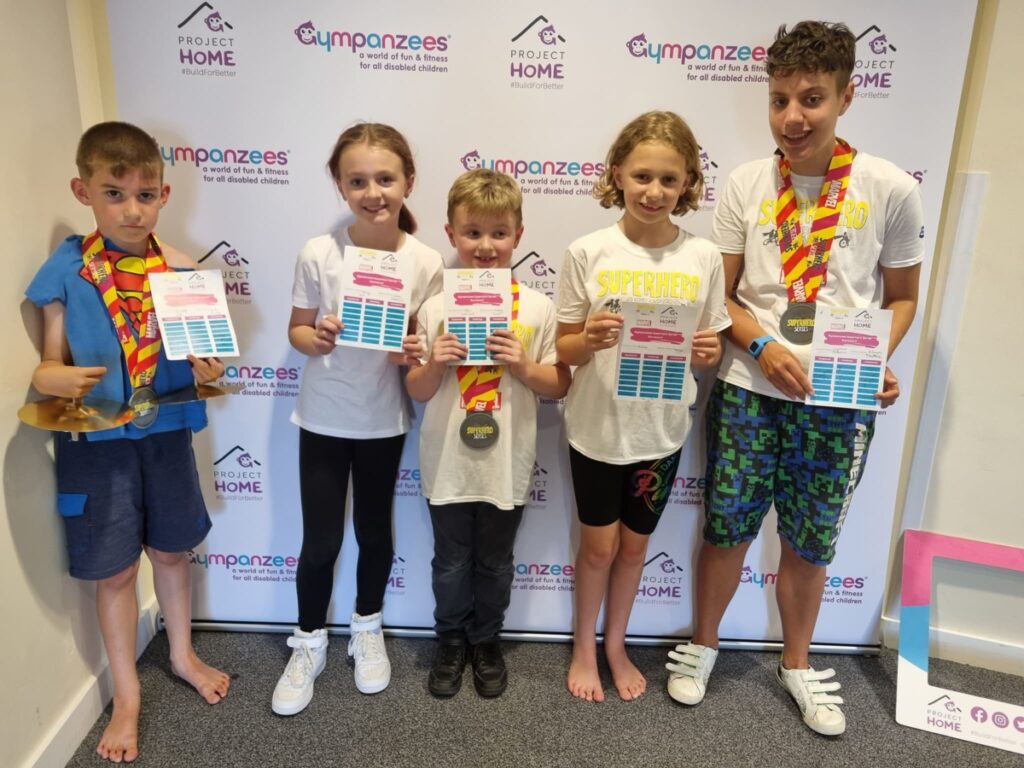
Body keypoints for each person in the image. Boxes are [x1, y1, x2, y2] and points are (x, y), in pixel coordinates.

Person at [666, 21, 923, 736]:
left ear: (847, 93)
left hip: (839, 400)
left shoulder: (891, 188)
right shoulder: (747, 182)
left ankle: (799, 662)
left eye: (811, 98)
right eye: (779, 99)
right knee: (728, 526)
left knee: (811, 540)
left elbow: (902, 296)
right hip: (751, 388)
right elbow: (722, 297)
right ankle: (705, 644)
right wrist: (765, 345)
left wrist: (875, 359)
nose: (792, 117)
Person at [26, 121, 230, 763]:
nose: (132, 208)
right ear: (82, 190)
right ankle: (127, 693)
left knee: (171, 553)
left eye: (146, 194)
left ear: (164, 196)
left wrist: (210, 368)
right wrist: (52, 375)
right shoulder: (67, 267)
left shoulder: (181, 270)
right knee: (114, 570)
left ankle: (181, 653)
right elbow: (46, 364)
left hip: (165, 431)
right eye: (114, 193)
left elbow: (210, 363)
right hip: (94, 438)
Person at [557, 111, 731, 702]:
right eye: (642, 177)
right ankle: (584, 643)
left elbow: (705, 349)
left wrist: (707, 350)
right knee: (599, 548)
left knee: (634, 548)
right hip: (597, 429)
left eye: (669, 180)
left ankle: (615, 642)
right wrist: (591, 340)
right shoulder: (588, 251)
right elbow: (564, 347)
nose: (654, 192)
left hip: (660, 433)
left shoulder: (703, 257)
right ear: (617, 176)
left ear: (688, 184)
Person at [273, 123, 443, 715]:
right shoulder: (320, 252)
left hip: (383, 420)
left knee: (374, 533)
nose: (373, 191)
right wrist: (315, 338)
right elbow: (296, 330)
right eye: (358, 180)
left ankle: (366, 626)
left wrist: (409, 350)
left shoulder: (425, 261)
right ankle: (310, 641)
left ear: (408, 182)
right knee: (319, 540)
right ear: (340, 186)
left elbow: (420, 346)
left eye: (386, 178)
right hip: (322, 418)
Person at [407, 169, 570, 697]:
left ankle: (486, 639)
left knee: (495, 562)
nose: (485, 246)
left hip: (507, 464)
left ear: (518, 236)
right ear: (450, 234)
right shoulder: (434, 308)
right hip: (447, 462)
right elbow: (418, 389)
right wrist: (435, 362)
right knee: (450, 560)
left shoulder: (539, 308)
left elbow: (556, 384)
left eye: (498, 233)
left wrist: (522, 366)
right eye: (472, 232)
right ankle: (451, 639)